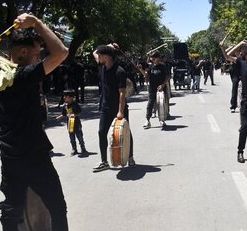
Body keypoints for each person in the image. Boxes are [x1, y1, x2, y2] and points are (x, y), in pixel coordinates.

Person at [0, 13, 88, 231]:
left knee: (10, 208)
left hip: (9, 155)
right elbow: (61, 52)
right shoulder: (22, 77)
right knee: (57, 206)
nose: (38, 59)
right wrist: (37, 23)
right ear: (23, 52)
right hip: (33, 155)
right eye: (35, 55)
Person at [92, 44, 135, 172]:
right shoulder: (102, 66)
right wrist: (109, 46)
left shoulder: (119, 71)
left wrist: (120, 111)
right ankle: (104, 161)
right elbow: (94, 52)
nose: (97, 57)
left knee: (126, 132)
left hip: (119, 108)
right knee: (101, 132)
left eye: (100, 55)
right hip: (106, 107)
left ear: (106, 57)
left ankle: (130, 157)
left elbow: (122, 93)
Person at [138, 51, 170, 129]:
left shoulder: (163, 66)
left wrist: (162, 85)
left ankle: (162, 120)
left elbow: (168, 76)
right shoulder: (151, 67)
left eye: (154, 58)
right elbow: (146, 75)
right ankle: (147, 120)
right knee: (150, 104)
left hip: (161, 89)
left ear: (158, 58)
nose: (152, 59)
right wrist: (141, 69)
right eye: (152, 58)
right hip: (152, 89)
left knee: (161, 104)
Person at [56, 89, 87, 156]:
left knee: (79, 136)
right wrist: (60, 116)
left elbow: (79, 112)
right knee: (71, 137)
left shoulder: (75, 104)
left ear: (71, 97)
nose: (64, 98)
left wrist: (74, 115)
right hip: (70, 124)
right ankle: (74, 149)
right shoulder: (65, 105)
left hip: (77, 124)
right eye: (64, 96)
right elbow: (64, 114)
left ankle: (82, 147)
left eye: (66, 96)